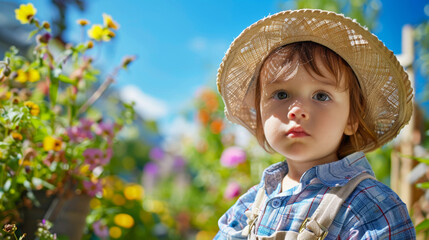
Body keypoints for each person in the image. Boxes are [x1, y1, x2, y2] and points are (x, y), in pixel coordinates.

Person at [214, 9, 416, 239]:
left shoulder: (369, 207)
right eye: (281, 95)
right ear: (261, 116)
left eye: (321, 96)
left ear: (351, 119)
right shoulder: (250, 204)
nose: (297, 110)